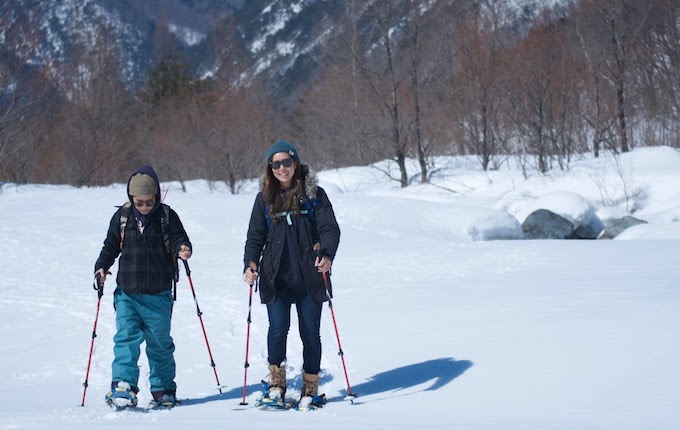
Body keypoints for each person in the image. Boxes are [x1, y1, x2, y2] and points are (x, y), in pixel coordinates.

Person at [243, 140, 340, 404]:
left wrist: (327, 254)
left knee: (310, 334)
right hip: (276, 279)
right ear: (269, 168)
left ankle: (310, 386)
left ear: (296, 163)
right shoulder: (264, 199)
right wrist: (250, 263)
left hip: (310, 278)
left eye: (287, 162)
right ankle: (277, 384)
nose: (282, 168)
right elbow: (255, 236)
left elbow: (330, 229)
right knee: (277, 330)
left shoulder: (315, 195)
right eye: (276, 164)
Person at [94, 165, 192, 409]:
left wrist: (183, 248)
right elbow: (110, 246)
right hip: (127, 292)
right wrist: (101, 267)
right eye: (140, 202)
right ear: (131, 198)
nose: (145, 207)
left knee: (159, 343)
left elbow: (180, 237)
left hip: (159, 294)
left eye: (150, 202)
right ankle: (123, 385)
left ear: (157, 196)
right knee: (126, 339)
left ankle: (163, 389)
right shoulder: (123, 217)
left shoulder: (167, 216)